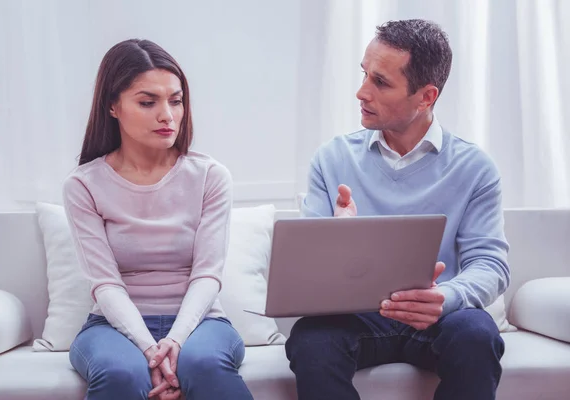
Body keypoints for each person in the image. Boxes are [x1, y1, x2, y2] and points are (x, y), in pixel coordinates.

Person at [286, 19, 510, 400]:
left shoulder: (475, 168)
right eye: (364, 75)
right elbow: (309, 273)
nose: (361, 92)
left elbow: (490, 263)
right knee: (311, 339)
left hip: (440, 315)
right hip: (356, 318)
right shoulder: (332, 158)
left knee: (477, 334)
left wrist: (447, 298)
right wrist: (339, 237)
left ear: (425, 97)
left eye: (380, 82)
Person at [63, 39, 254, 400]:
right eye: (148, 102)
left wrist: (176, 341)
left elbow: (207, 274)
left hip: (201, 324)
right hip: (112, 327)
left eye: (176, 100)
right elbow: (104, 284)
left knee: (204, 365)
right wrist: (150, 349)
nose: (168, 115)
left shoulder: (210, 175)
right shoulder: (83, 185)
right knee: (119, 372)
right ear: (113, 106)